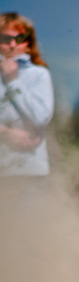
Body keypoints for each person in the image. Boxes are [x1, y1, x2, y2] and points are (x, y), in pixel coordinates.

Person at [0, 13, 54, 179]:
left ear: (29, 44)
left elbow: (40, 117)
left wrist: (13, 82)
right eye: (5, 38)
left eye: (20, 38)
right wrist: (7, 133)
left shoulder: (39, 75)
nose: (12, 45)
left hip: (30, 170)